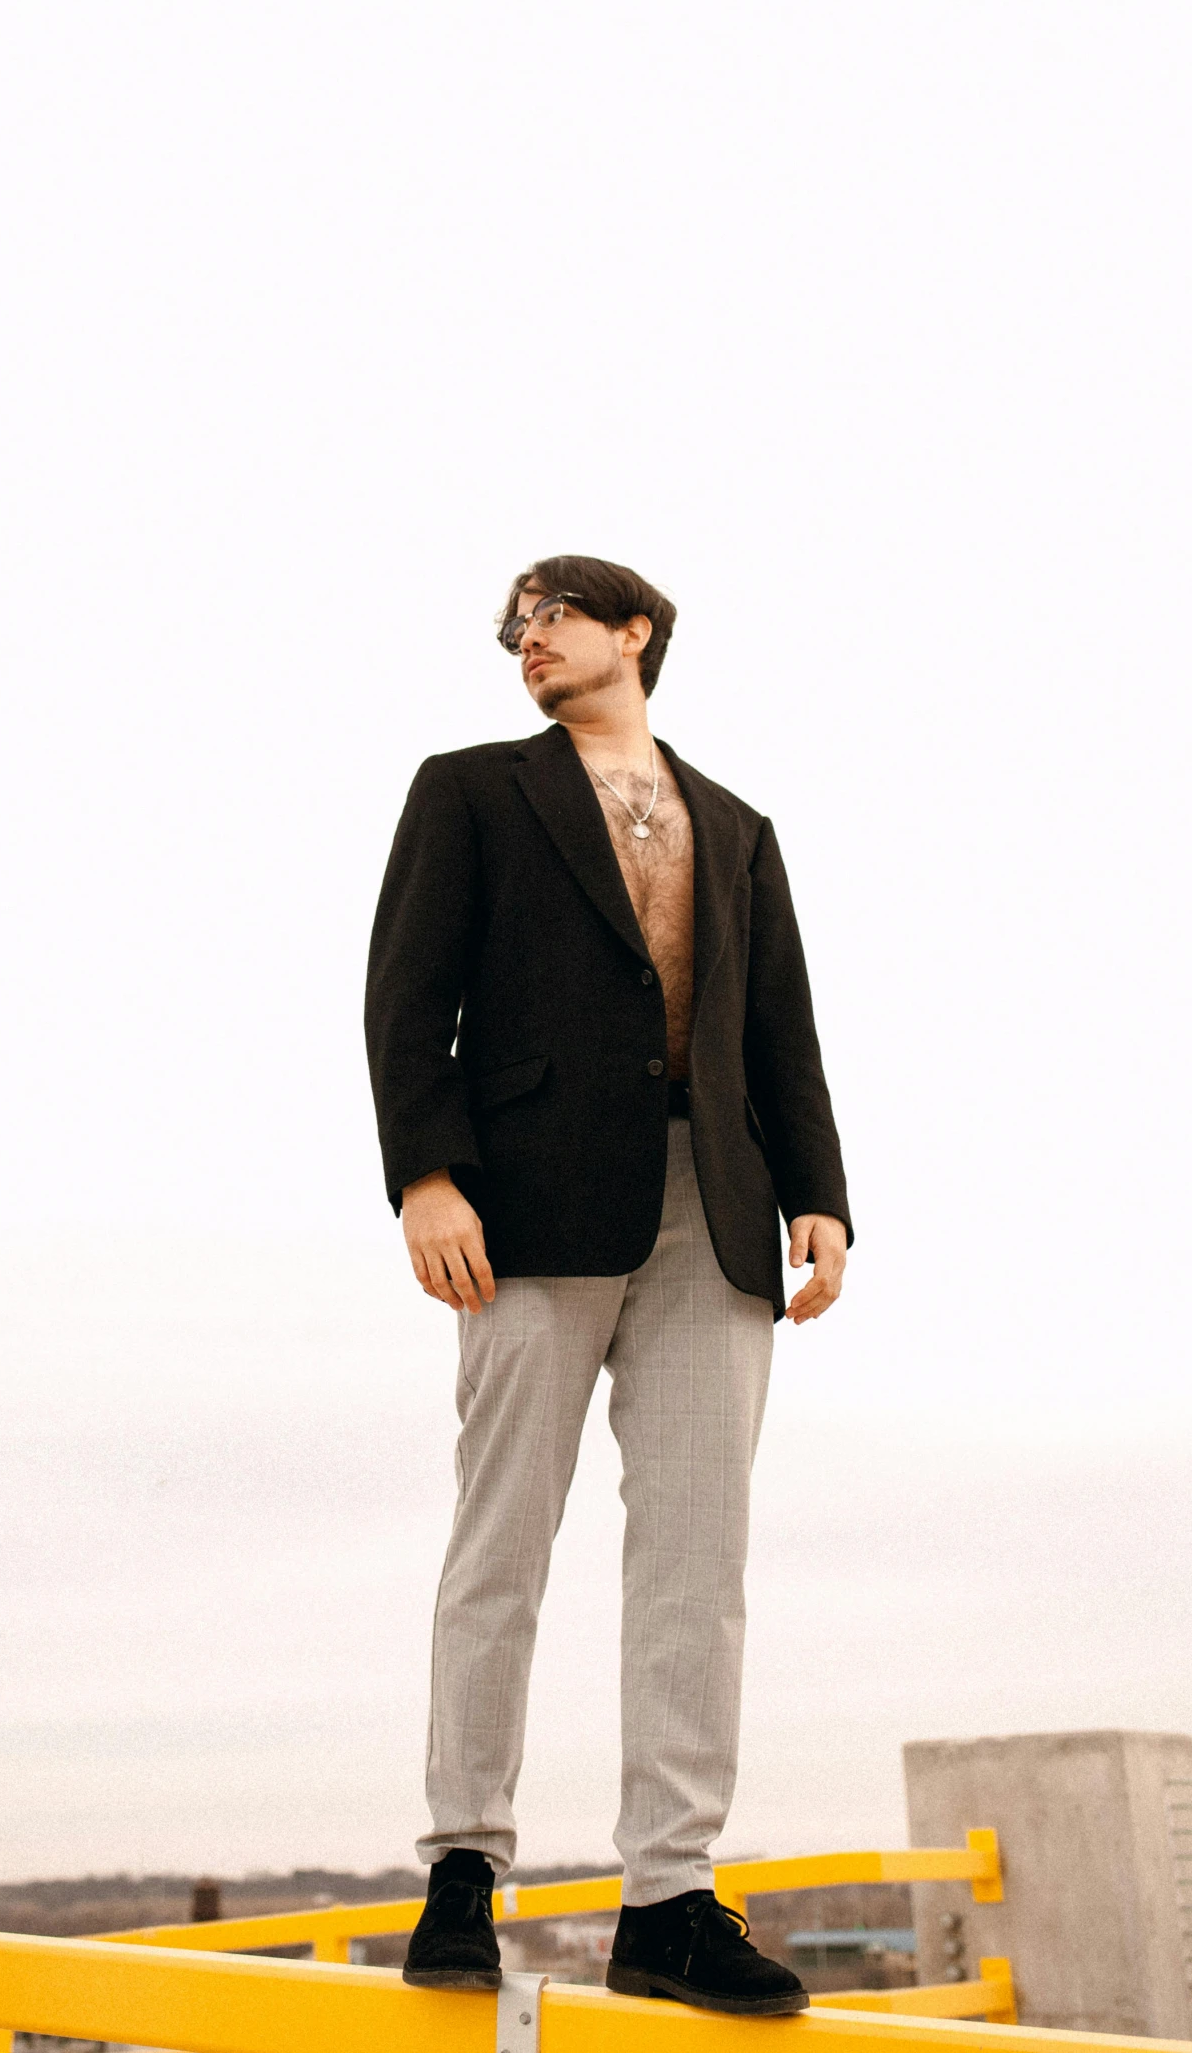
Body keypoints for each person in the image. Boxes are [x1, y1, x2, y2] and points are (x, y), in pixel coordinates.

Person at [364, 556, 851, 2017]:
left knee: (697, 1564)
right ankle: (462, 1867)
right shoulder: (468, 790)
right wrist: (425, 1175)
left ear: (632, 630)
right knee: (499, 1539)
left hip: (718, 1207)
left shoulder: (738, 824)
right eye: (513, 628)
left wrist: (819, 1190)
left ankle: (670, 1896)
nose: (526, 638)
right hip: (522, 1205)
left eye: (552, 614)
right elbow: (404, 993)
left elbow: (781, 1022)